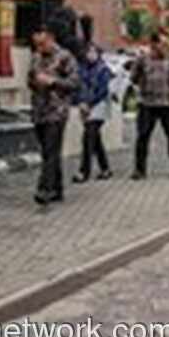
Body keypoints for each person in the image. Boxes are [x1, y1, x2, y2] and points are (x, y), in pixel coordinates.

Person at [27, 24, 80, 205]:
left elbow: (74, 83)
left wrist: (52, 82)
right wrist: (35, 83)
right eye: (36, 44)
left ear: (50, 38)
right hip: (39, 110)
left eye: (42, 44)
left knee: (51, 150)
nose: (39, 48)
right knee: (48, 152)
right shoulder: (35, 57)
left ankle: (44, 189)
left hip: (56, 111)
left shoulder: (65, 57)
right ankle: (57, 189)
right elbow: (30, 80)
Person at [130, 28, 169, 180]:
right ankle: (139, 169)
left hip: (167, 103)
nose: (165, 47)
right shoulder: (142, 59)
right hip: (146, 103)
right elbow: (133, 78)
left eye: (166, 44)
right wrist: (137, 76)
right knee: (143, 136)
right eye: (162, 44)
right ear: (153, 44)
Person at [72, 43, 113, 183]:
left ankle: (84, 172)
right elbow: (77, 87)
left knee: (88, 138)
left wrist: (89, 103)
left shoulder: (103, 70)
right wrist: (81, 102)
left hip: (99, 107)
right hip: (85, 107)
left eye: (93, 51)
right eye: (88, 51)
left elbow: (102, 91)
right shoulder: (82, 69)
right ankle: (105, 169)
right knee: (95, 140)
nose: (90, 54)